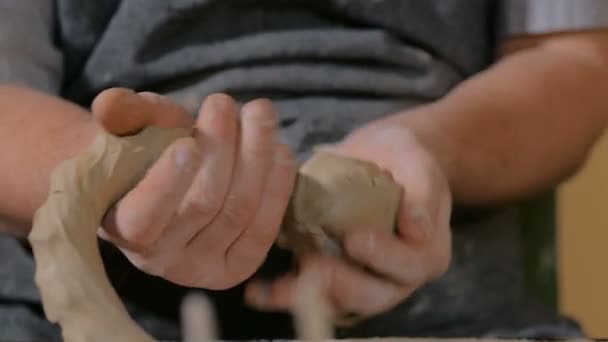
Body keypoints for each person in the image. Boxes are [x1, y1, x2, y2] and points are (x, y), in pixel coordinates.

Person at [0, 0, 607, 340]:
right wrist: (126, 181)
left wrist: (429, 150)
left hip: (456, 321)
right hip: (71, 311)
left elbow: (572, 60)